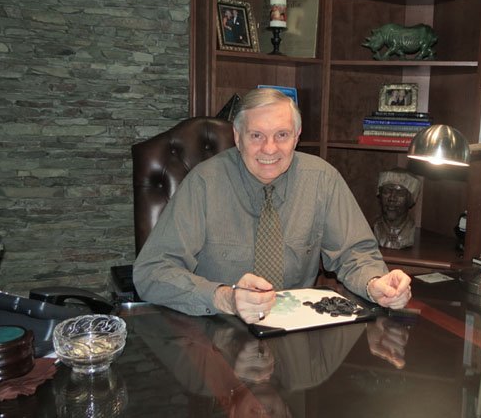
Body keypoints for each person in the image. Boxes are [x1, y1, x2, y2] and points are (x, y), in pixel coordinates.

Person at [133, 88, 412, 324]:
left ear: (297, 135)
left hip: (298, 334)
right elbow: (152, 271)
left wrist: (375, 284)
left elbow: (355, 254)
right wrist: (225, 297)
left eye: (282, 135)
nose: (270, 149)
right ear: (237, 137)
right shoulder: (204, 183)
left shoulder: (322, 180)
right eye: (256, 136)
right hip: (217, 332)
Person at [373, 168, 422, 249]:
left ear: (410, 199)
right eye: (386, 192)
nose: (392, 198)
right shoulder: (375, 228)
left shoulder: (411, 230)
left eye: (400, 193)